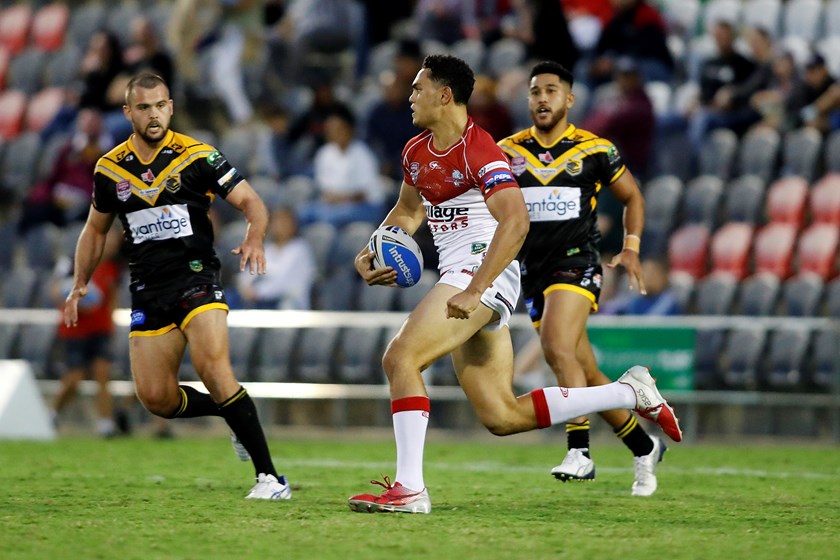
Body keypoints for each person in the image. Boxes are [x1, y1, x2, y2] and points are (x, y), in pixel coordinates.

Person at [349, 54, 682, 514]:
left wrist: (474, 288)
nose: (410, 97)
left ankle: (410, 489)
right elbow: (407, 212)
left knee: (400, 357)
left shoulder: (481, 149)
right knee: (502, 416)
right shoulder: (415, 151)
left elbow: (516, 221)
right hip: (462, 279)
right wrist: (372, 250)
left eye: (417, 88)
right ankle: (629, 392)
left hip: (481, 273)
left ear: (444, 95)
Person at [63, 72, 290, 500]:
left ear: (171, 107)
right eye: (143, 107)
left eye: (160, 105)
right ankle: (234, 415)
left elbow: (251, 201)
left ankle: (270, 479)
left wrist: (255, 235)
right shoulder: (109, 169)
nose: (154, 114)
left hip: (197, 277)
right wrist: (79, 283)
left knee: (213, 369)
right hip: (148, 289)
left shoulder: (198, 156)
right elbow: (95, 231)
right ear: (129, 112)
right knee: (157, 399)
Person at [498, 60, 665, 496]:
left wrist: (631, 245)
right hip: (533, 274)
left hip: (578, 263)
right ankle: (643, 444)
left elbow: (632, 196)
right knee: (586, 373)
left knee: (555, 345)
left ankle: (580, 451)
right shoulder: (506, 152)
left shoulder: (595, 150)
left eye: (551, 90)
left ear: (569, 99)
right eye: (535, 91)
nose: (542, 98)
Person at [51, 224, 124, 437]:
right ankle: (53, 413)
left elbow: (113, 298)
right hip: (73, 328)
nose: (111, 244)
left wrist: (111, 324)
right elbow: (55, 290)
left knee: (103, 373)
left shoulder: (113, 267)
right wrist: (73, 297)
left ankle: (105, 424)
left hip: (100, 328)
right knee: (75, 377)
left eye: (114, 241)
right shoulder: (72, 262)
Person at [237, 206, 315, 309]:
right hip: (261, 301)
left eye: (284, 222)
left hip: (288, 304)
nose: (280, 226)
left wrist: (257, 292)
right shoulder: (268, 249)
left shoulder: (300, 250)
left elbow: (283, 282)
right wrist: (245, 286)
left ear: (293, 225)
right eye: (276, 222)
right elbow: (248, 275)